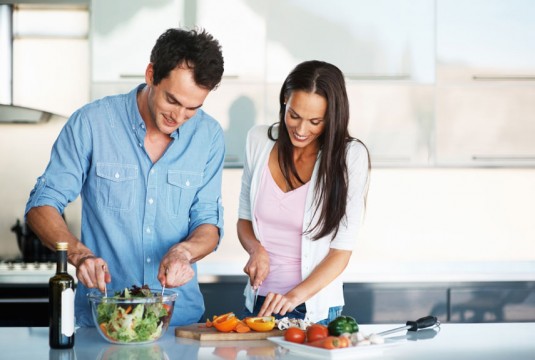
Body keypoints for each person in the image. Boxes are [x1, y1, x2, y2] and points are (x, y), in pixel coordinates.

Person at [24, 28, 225, 327]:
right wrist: (80, 255)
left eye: (192, 108)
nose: (179, 116)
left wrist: (184, 252)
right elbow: (41, 206)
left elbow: (208, 223)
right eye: (172, 100)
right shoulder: (92, 123)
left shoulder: (209, 136)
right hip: (104, 320)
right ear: (150, 74)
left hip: (178, 322)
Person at [238, 60, 370, 325]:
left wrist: (293, 297)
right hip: (259, 303)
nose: (300, 129)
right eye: (294, 115)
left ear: (332, 117)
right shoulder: (258, 141)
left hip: (313, 309)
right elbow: (244, 221)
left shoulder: (350, 157)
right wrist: (256, 250)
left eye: (315, 121)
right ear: (285, 100)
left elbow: (340, 252)